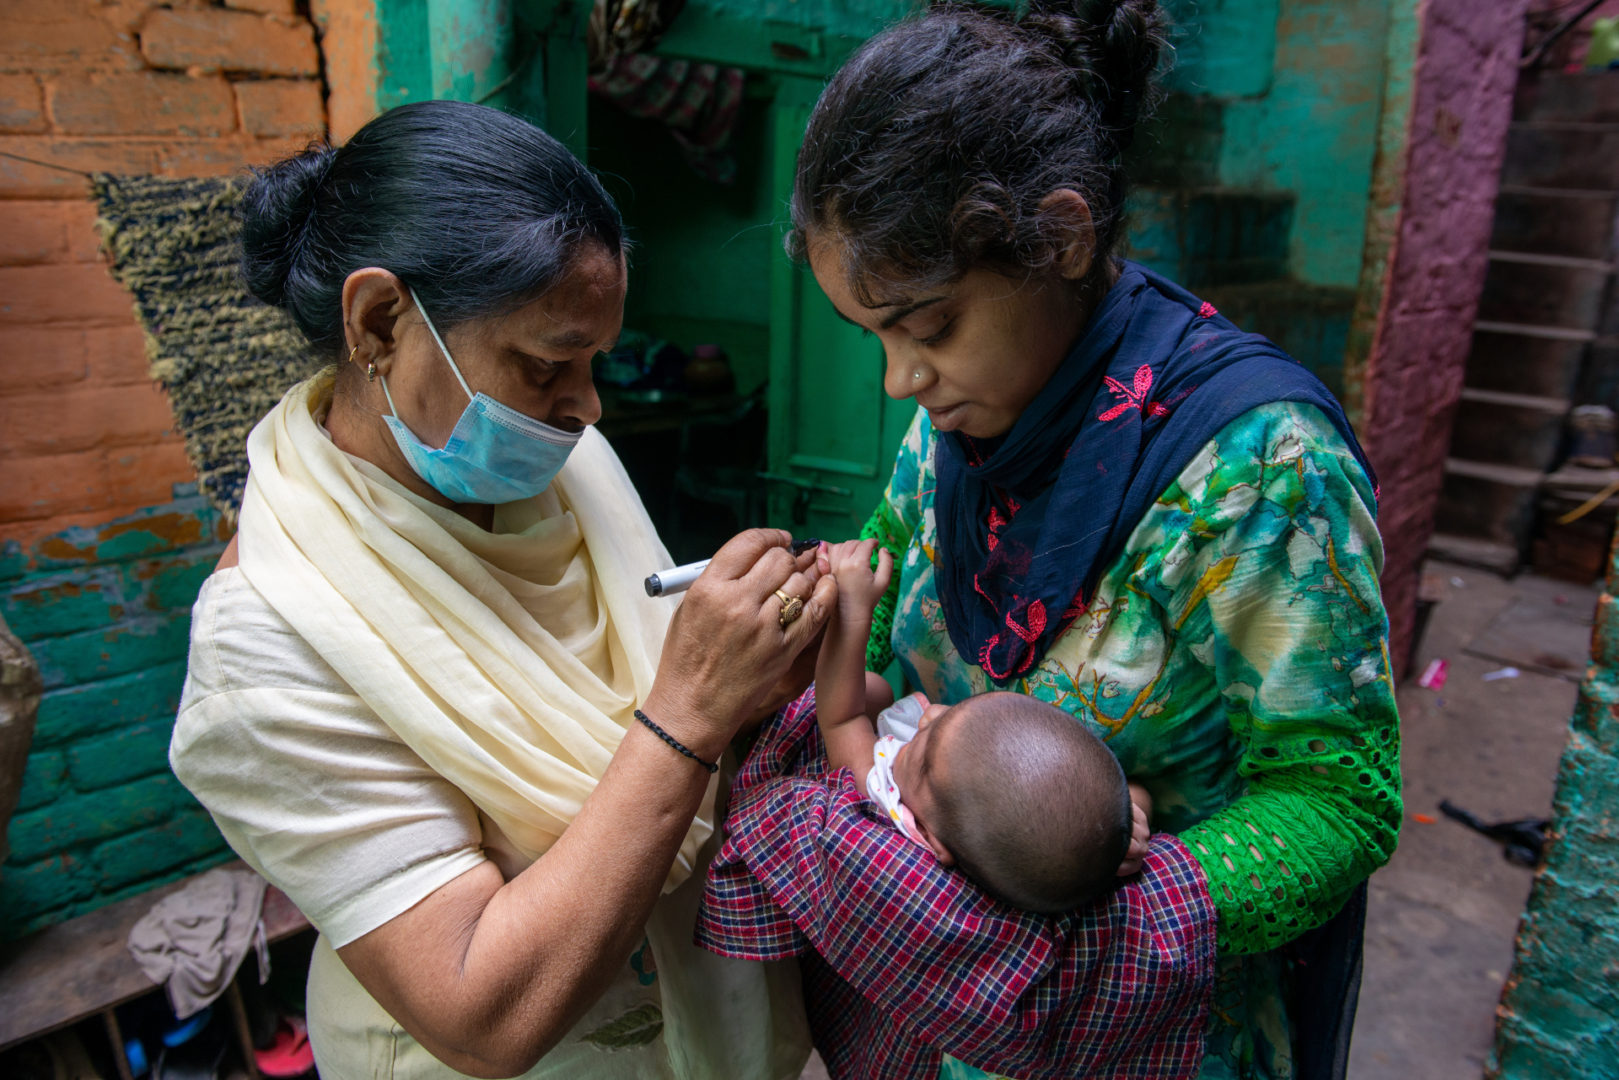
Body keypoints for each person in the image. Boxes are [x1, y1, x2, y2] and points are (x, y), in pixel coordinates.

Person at [712, 0, 1402, 1077]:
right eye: (874, 336)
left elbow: (1339, 798)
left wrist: (1089, 929)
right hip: (922, 1021)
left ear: (1065, 239)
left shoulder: (1262, 472)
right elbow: (893, 611)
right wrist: (806, 623)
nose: (900, 379)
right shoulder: (966, 417)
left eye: (928, 327)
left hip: (1127, 1034)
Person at [168, 99, 836, 1080]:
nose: (585, 408)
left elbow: (635, 692)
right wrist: (693, 707)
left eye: (593, 363)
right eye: (543, 365)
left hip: (714, 1025)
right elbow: (480, 1009)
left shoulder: (566, 466)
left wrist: (761, 675)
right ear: (380, 321)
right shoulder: (268, 644)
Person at [811, 538, 1151, 913]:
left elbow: (840, 717)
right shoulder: (1008, 847)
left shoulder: (886, 814)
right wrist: (1125, 826)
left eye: (922, 754)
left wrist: (852, 609)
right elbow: (1121, 792)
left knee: (875, 690)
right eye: (953, 712)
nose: (929, 715)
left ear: (930, 839)